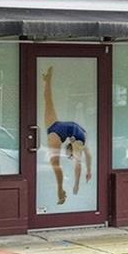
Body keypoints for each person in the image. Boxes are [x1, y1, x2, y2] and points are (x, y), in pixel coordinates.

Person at [42, 65, 92, 207]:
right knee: (55, 164)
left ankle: (48, 80)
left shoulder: (80, 142)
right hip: (57, 131)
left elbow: (87, 158)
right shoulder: (79, 144)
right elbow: (79, 165)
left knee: (48, 101)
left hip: (57, 126)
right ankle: (60, 190)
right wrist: (77, 184)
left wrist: (88, 172)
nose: (69, 154)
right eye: (69, 154)